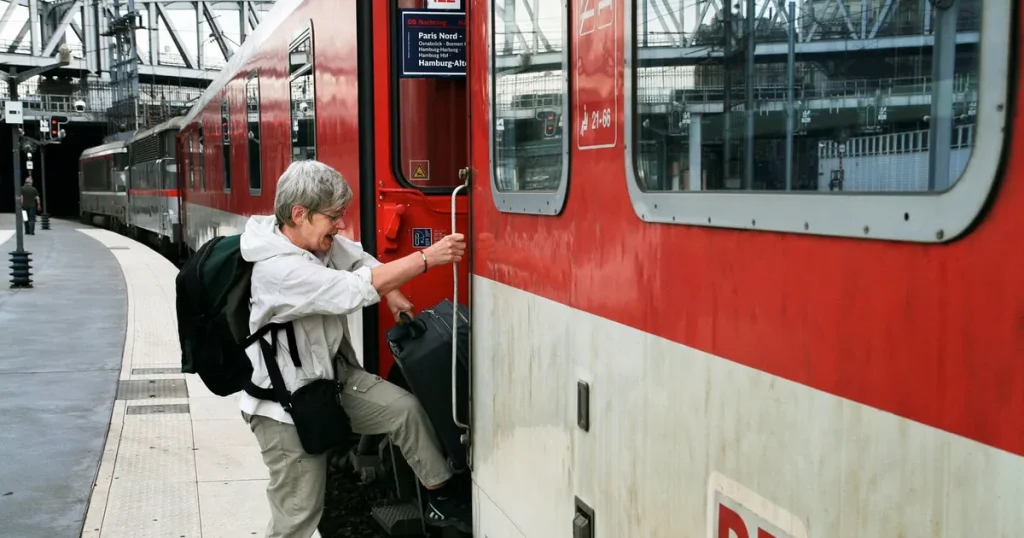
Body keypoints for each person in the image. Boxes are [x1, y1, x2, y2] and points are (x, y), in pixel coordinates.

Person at [239, 160, 470, 537]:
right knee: (298, 515)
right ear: (300, 214)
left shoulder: (309, 240)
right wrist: (429, 257)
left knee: (403, 411)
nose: (341, 224)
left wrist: (393, 293)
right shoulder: (279, 271)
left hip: (329, 382)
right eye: (334, 216)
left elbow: (359, 259)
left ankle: (440, 499)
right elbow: (350, 290)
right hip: (285, 407)